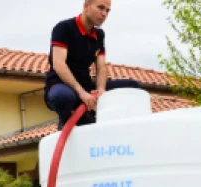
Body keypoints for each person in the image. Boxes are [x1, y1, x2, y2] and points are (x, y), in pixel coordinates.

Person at [45, 0, 140, 129]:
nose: (104, 14)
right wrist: (81, 92)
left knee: (131, 86)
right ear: (86, 6)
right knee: (63, 97)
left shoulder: (99, 35)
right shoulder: (64, 28)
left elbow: (101, 67)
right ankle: (66, 119)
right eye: (101, 8)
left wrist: (101, 90)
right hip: (62, 86)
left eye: (107, 10)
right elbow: (58, 64)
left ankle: (107, 121)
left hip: (87, 87)